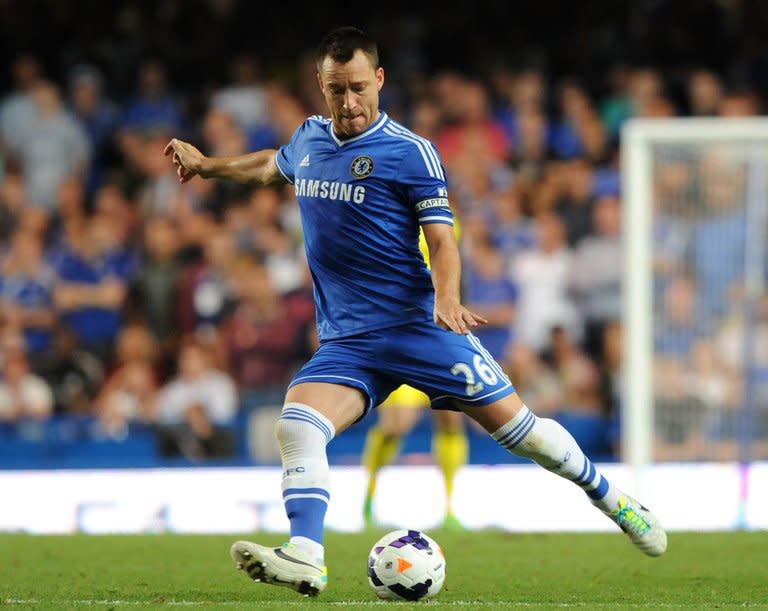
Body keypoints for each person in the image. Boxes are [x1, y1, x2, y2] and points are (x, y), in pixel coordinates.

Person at [165, 26, 666, 598]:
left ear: (379, 80)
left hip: (419, 328)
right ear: (321, 86)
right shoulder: (308, 138)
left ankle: (612, 498)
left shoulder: (410, 152)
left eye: (358, 87)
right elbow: (269, 167)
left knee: (525, 437)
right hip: (349, 340)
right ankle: (306, 555)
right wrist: (207, 166)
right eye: (336, 90)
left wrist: (448, 297)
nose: (348, 103)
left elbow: (444, 240)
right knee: (296, 425)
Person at [361, 383, 467, 530]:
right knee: (395, 428)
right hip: (407, 367)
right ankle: (369, 495)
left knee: (450, 425)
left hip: (441, 364)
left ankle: (450, 508)